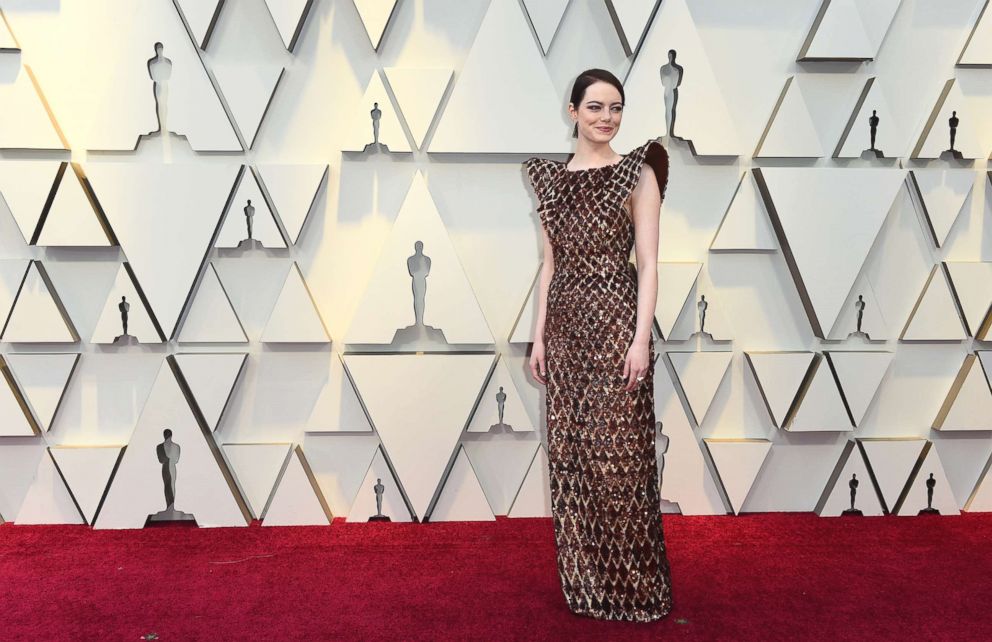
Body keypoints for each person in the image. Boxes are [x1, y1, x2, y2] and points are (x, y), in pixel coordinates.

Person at [523, 68, 673, 622]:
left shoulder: (638, 174)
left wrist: (640, 339)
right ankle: (586, 585)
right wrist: (538, 337)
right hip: (564, 331)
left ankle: (636, 588)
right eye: (595, 107)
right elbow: (549, 265)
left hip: (615, 325)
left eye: (615, 108)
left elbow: (650, 263)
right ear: (572, 112)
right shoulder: (549, 180)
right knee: (574, 458)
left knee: (623, 461)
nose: (606, 118)